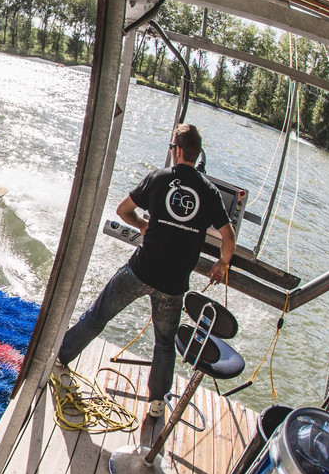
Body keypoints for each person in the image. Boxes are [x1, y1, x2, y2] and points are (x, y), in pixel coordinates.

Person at [56, 123, 237, 418]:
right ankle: (156, 404)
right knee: (164, 343)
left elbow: (122, 210)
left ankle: (62, 357)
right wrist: (221, 265)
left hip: (141, 270)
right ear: (196, 153)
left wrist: (142, 224)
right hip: (175, 283)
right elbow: (228, 238)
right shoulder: (210, 191)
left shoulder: (158, 178)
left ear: (177, 151)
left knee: (99, 315)